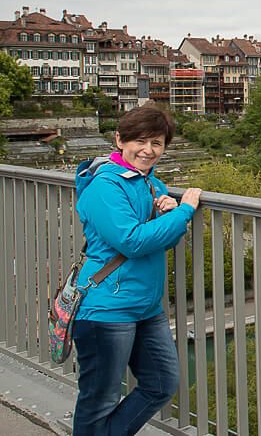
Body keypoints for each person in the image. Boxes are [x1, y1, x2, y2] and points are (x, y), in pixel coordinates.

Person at [71, 106, 202, 435]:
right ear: (119, 140)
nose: (148, 150)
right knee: (99, 400)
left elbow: (158, 238)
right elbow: (131, 241)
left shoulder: (149, 183)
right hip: (107, 307)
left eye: (157, 143)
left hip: (144, 305)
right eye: (140, 141)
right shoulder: (105, 186)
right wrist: (184, 210)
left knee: (161, 382)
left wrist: (168, 211)